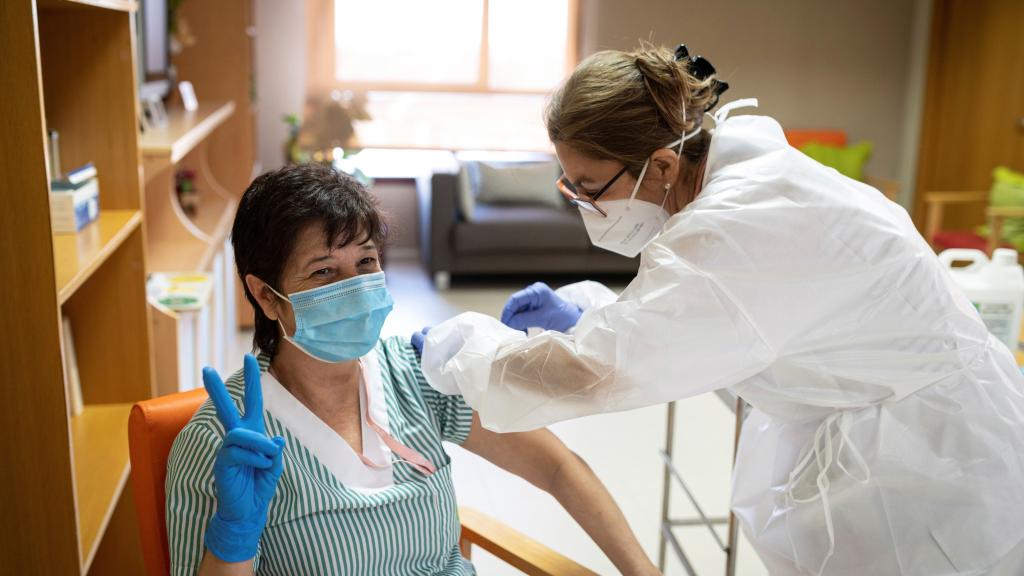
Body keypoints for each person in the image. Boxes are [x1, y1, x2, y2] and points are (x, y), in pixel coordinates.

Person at [414, 43, 1024, 575]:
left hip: (937, 467)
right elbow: (731, 316)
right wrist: (593, 312)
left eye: (589, 188)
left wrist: (463, 349)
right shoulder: (741, 180)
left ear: (660, 165)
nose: (581, 205)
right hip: (899, 425)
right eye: (568, 185)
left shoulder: (734, 227)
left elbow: (600, 371)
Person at [165, 163, 658, 575]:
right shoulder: (222, 444)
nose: (355, 286)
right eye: (323, 271)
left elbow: (557, 466)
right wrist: (233, 537)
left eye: (366, 262)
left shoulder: (417, 375)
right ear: (265, 295)